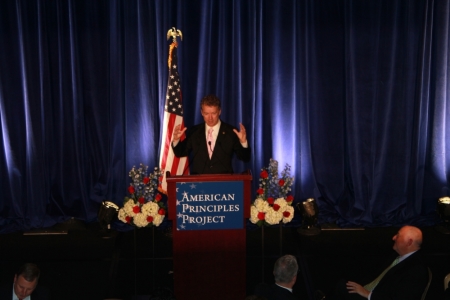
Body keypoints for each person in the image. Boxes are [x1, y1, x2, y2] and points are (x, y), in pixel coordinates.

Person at [327, 225, 429, 300]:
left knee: (341, 288)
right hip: (370, 291)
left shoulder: (417, 270)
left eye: (398, 235)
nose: (393, 238)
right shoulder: (396, 256)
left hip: (374, 297)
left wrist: (367, 294)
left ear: (409, 242)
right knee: (341, 280)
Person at [171, 94, 251, 174]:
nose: (210, 118)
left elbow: (245, 157)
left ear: (219, 111)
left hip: (224, 183)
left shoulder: (230, 132)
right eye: (206, 113)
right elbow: (180, 152)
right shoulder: (195, 131)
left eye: (213, 113)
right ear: (201, 112)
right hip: (199, 183)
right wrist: (176, 140)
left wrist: (243, 142)